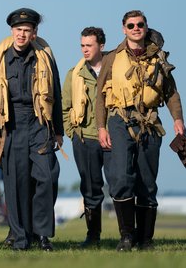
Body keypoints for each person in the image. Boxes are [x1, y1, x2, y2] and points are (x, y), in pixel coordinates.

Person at [95, 10, 186, 251]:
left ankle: (146, 240)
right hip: (119, 119)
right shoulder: (111, 58)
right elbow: (100, 96)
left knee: (147, 181)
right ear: (123, 29)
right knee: (122, 178)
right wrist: (101, 127)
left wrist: (178, 119)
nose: (136, 28)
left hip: (150, 120)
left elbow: (171, 93)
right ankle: (127, 236)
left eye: (140, 24)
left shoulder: (159, 58)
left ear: (146, 27)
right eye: (131, 25)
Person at [0, 8, 63, 251]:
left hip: (40, 122)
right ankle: (20, 238)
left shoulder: (45, 57)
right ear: (12, 31)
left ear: (34, 33)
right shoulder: (0, 58)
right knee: (15, 183)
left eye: (26, 30)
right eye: (18, 30)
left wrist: (58, 131)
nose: (21, 34)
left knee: (48, 176)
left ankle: (42, 234)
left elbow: (56, 93)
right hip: (11, 124)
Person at [61, 26, 109, 248]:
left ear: (101, 46)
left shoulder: (116, 69)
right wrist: (72, 134)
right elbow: (65, 107)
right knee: (90, 187)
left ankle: (129, 236)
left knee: (121, 185)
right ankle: (93, 236)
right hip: (84, 138)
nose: (84, 50)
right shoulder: (75, 73)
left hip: (113, 136)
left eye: (89, 45)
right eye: (82, 45)